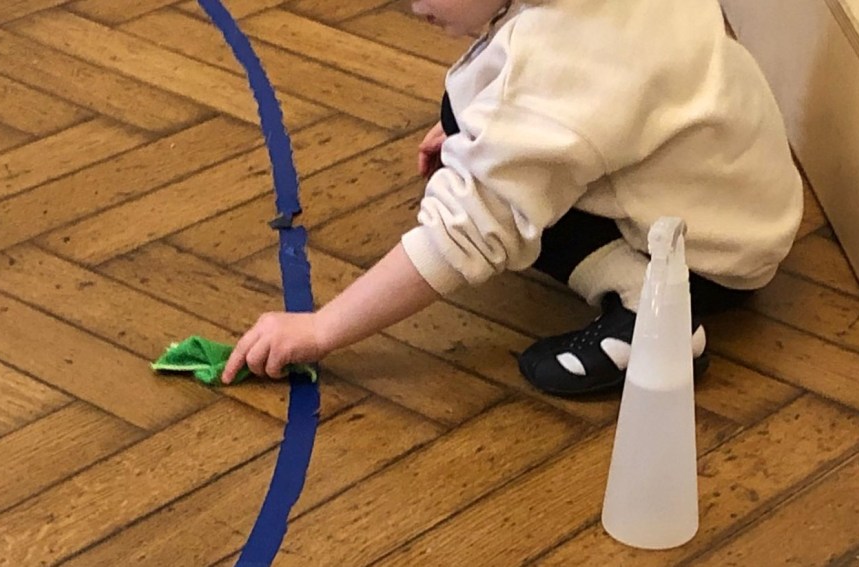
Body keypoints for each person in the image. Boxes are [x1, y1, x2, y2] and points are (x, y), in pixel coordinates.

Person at [221, 0, 803, 396]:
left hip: (703, 259)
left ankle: (652, 312)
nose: (413, 7)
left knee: (499, 206)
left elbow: (462, 233)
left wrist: (321, 330)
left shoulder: (566, 56)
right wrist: (481, 127)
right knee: (467, 121)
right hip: (737, 201)